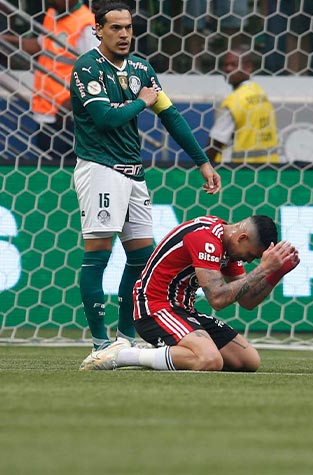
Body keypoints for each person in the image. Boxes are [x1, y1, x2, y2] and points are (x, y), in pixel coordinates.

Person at [69, 1, 222, 366]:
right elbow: (105, 119)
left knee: (141, 258)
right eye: (116, 28)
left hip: (134, 173)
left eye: (129, 27)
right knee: (99, 255)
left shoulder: (141, 68)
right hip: (100, 168)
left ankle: (123, 339)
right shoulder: (86, 68)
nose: (124, 34)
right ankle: (97, 341)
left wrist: (202, 161)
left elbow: (170, 115)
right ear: (98, 31)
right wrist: (141, 102)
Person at [79, 215, 300, 371]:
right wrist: (262, 269)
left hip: (182, 311)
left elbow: (247, 301)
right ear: (242, 238)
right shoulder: (206, 239)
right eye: (250, 255)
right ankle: (123, 355)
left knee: (248, 361)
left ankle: (166, 352)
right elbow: (218, 298)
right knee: (209, 360)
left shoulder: (229, 247)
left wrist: (275, 274)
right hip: (155, 308)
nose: (248, 261)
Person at [1, 0, 98, 161]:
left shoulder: (87, 26)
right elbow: (40, 45)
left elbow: (98, 71)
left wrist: (72, 101)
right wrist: (6, 40)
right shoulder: (52, 15)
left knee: (70, 171)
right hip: (47, 109)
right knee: (50, 167)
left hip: (70, 116)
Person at [205, 47, 280, 164]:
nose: (228, 69)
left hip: (240, 172)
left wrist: (205, 168)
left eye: (233, 65)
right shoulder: (260, 94)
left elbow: (216, 141)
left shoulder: (235, 101)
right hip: (268, 168)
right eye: (225, 65)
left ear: (248, 67)